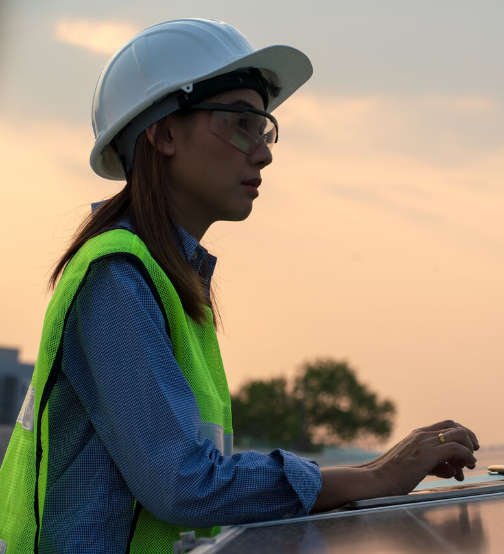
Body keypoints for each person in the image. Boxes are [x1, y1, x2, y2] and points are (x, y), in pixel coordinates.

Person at [0, 18, 479, 552]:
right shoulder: (115, 277)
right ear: (162, 134)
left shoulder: (159, 277)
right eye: (240, 123)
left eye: (265, 128)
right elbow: (183, 483)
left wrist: (376, 467)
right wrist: (374, 479)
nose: (264, 151)